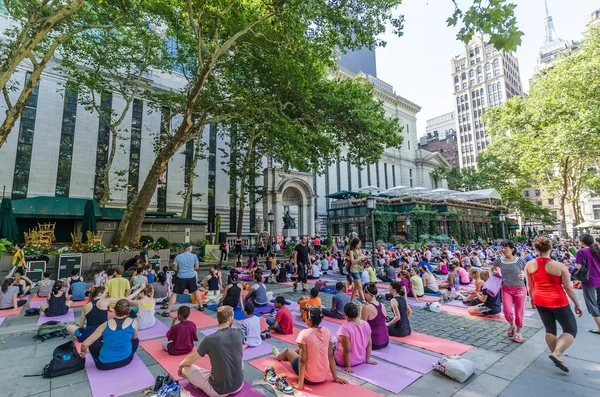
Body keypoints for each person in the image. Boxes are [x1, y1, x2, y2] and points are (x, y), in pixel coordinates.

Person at [525, 237, 583, 372]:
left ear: (536, 249)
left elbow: (529, 284)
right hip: (558, 300)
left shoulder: (529, 265)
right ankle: (557, 353)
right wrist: (577, 304)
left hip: (540, 299)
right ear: (551, 248)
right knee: (570, 329)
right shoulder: (559, 266)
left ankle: (557, 354)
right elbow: (568, 287)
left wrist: (532, 298)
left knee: (550, 329)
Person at [272, 307, 348, 391]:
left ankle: (279, 356)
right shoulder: (327, 331)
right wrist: (335, 377)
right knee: (299, 350)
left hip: (309, 378)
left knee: (288, 351)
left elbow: (302, 361)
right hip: (323, 376)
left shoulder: (304, 334)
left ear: (309, 320)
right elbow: (330, 355)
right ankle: (289, 356)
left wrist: (300, 384)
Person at [178, 306, 244, 397]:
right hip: (239, 385)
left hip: (218, 391)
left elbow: (190, 359)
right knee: (239, 359)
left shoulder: (210, 339)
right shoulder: (240, 333)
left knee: (185, 368)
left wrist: (180, 366)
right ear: (230, 318)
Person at [79, 299, 139, 370]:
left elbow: (84, 344)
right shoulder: (134, 322)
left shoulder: (104, 325)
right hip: (126, 360)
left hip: (104, 365)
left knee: (94, 344)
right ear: (128, 311)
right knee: (136, 340)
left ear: (115, 310)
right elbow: (134, 338)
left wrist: (83, 352)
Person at [492, 240, 527, 343]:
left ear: (512, 249)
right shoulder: (499, 260)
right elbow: (492, 268)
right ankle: (511, 325)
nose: (503, 250)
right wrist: (494, 276)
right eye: (502, 247)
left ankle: (519, 332)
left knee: (519, 311)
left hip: (519, 288)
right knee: (507, 311)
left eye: (505, 247)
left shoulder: (519, 260)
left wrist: (523, 275)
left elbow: (526, 270)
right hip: (506, 288)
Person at [162, 242, 204, 316]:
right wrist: (190, 269)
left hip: (181, 276)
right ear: (190, 248)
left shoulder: (178, 256)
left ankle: (167, 311)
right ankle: (201, 306)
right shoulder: (194, 256)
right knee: (196, 291)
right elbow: (197, 267)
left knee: (175, 294)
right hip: (191, 276)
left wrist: (181, 270)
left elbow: (175, 268)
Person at [334, 302, 376, 373]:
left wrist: (348, 366)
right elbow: (369, 344)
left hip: (344, 361)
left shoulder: (345, 328)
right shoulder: (366, 324)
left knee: (328, 348)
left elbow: (347, 350)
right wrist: (367, 359)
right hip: (360, 359)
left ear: (346, 315)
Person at [575, 233, 600, 335]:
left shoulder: (581, 252)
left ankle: (599, 327)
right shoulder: (597, 249)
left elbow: (578, 267)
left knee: (591, 303)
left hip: (589, 280)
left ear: (582, 242)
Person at [360, 283, 389, 350]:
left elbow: (361, 325)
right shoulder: (382, 305)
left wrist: (361, 310)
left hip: (374, 342)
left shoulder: (366, 308)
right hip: (385, 340)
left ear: (367, 294)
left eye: (364, 294)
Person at [348, 238, 367, 304]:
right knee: (360, 286)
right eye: (358, 244)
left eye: (360, 244)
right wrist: (360, 258)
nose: (359, 245)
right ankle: (364, 301)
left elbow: (361, 259)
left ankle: (351, 300)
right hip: (354, 269)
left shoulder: (360, 250)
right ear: (355, 244)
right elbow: (352, 261)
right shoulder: (351, 251)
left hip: (360, 268)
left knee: (356, 286)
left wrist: (363, 259)